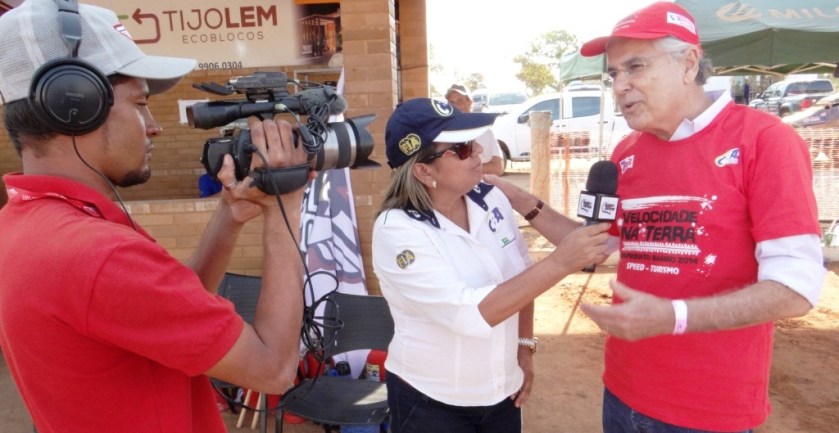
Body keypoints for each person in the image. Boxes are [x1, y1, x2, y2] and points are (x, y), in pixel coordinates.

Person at [489, 2, 826, 432]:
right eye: (613, 74)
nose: (620, 86)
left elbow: (796, 287)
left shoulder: (765, 141)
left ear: (688, 64)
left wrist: (674, 316)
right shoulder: (627, 153)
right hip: (623, 392)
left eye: (635, 67)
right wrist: (522, 200)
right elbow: (598, 247)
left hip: (708, 410)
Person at [0, 1, 312, 432]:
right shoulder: (99, 254)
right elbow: (274, 368)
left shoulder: (29, 224)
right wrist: (287, 204)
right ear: (76, 105)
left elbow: (163, 312)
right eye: (140, 103)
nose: (153, 125)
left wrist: (230, 215)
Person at [372, 98, 610, 433]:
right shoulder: (397, 230)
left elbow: (521, 278)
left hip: (502, 393)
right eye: (464, 148)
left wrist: (524, 347)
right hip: (431, 401)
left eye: (476, 142)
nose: (480, 154)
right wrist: (561, 262)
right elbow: (468, 314)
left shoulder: (489, 198)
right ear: (424, 171)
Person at [445, 84, 506, 176]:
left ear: (470, 102)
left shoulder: (485, 131)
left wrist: (465, 170)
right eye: (451, 102)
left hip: (482, 186)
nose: (455, 106)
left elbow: (498, 168)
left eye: (460, 100)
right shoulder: (444, 133)